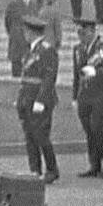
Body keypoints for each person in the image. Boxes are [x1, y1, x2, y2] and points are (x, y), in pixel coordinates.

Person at [71, 16, 103, 177]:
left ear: (92, 31)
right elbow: (76, 75)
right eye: (79, 32)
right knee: (89, 131)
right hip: (85, 95)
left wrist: (96, 73)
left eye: (83, 32)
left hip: (102, 95)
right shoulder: (78, 49)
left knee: (98, 128)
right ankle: (94, 164)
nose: (81, 36)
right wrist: (74, 96)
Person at [16, 15, 59, 184]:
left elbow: (49, 77)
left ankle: (52, 169)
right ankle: (35, 169)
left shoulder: (47, 50)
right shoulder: (30, 51)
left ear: (31, 32)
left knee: (41, 136)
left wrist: (41, 100)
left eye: (26, 31)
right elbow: (25, 78)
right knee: (30, 137)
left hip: (40, 101)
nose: (25, 34)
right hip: (27, 99)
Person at [5, 0, 36, 77]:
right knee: (16, 73)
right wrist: (14, 33)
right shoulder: (13, 5)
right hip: (17, 44)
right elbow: (7, 22)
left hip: (30, 45)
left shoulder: (34, 5)